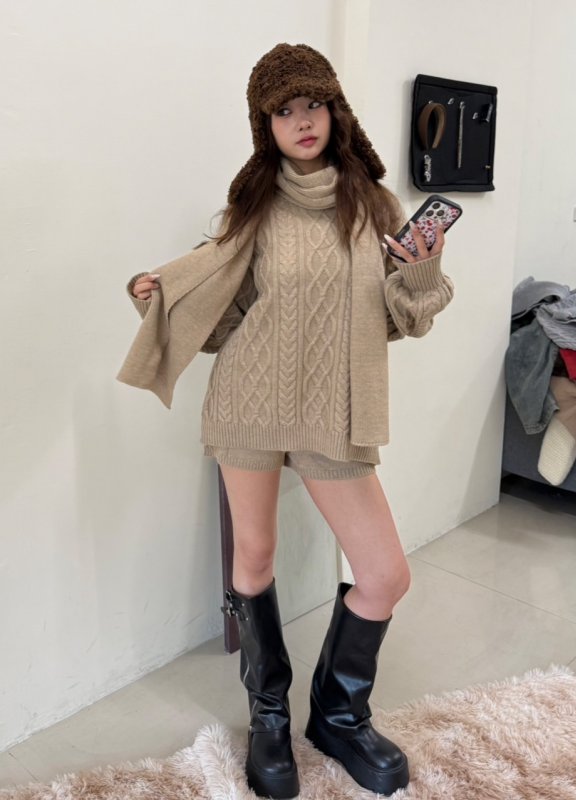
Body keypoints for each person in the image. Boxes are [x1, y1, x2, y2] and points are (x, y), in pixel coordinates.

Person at [118, 43, 454, 799]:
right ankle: (268, 715)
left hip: (335, 409)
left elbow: (405, 319)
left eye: (313, 104)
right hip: (250, 401)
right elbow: (219, 318)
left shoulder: (375, 207)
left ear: (336, 111)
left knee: (384, 575)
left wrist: (423, 265)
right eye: (284, 111)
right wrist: (159, 294)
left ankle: (337, 716)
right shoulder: (252, 212)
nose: (302, 121)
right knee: (256, 556)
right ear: (264, 126)